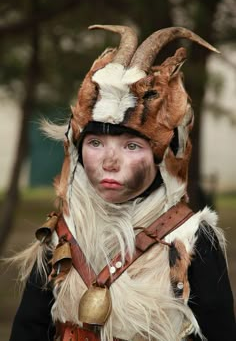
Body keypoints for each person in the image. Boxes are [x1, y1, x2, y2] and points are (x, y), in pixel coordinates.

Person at [9, 24, 236, 341]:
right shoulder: (61, 236)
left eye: (131, 146)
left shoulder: (193, 238)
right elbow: (28, 330)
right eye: (95, 144)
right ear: (78, 149)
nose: (108, 162)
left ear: (158, 157)